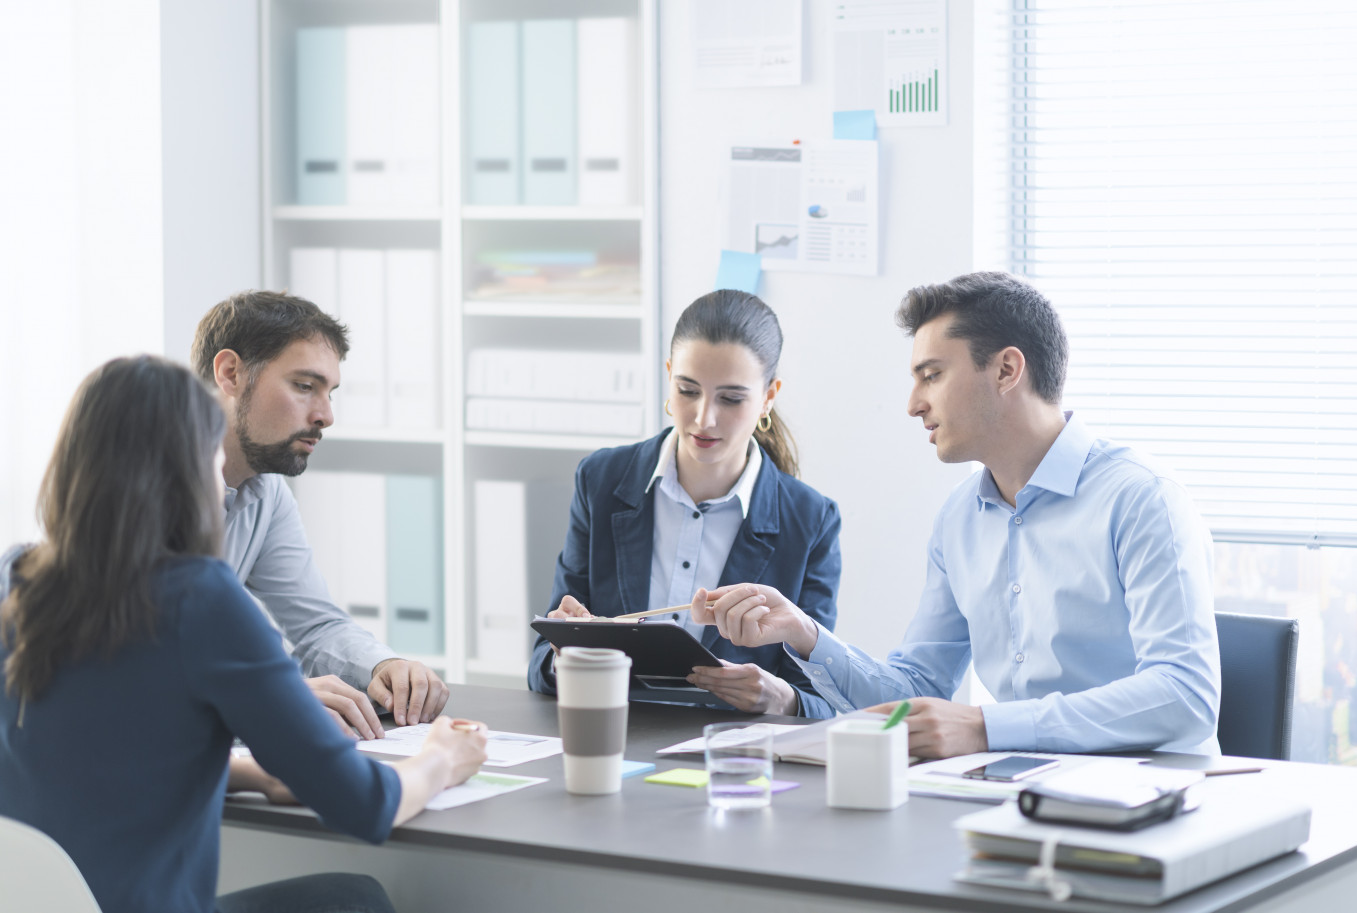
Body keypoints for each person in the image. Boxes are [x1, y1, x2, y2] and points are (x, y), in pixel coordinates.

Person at [0, 355, 487, 913]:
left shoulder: (17, 577)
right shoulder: (199, 596)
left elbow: (84, 749)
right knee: (355, 900)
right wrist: (442, 760)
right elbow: (362, 804)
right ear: (189, 472)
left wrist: (247, 774)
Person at [695, 272, 1221, 755]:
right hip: (1019, 792)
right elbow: (917, 690)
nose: (913, 404)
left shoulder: (1143, 499)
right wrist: (803, 632)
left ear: (1007, 370)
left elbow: (1185, 695)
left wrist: (987, 728)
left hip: (1150, 802)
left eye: (932, 375)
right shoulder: (960, 518)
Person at [528, 290, 842, 717]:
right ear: (669, 376)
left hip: (734, 754)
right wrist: (566, 658)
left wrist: (781, 698)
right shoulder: (601, 481)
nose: (704, 418)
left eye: (731, 398)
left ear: (769, 396)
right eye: (688, 390)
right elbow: (540, 662)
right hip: (614, 735)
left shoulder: (810, 520)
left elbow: (824, 699)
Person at [192, 290, 447, 739]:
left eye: (329, 393)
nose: (326, 415)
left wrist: (383, 665)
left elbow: (316, 626)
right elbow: (125, 667)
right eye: (304, 386)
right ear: (231, 374)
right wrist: (269, 694)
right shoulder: (141, 485)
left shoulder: (266, 491)